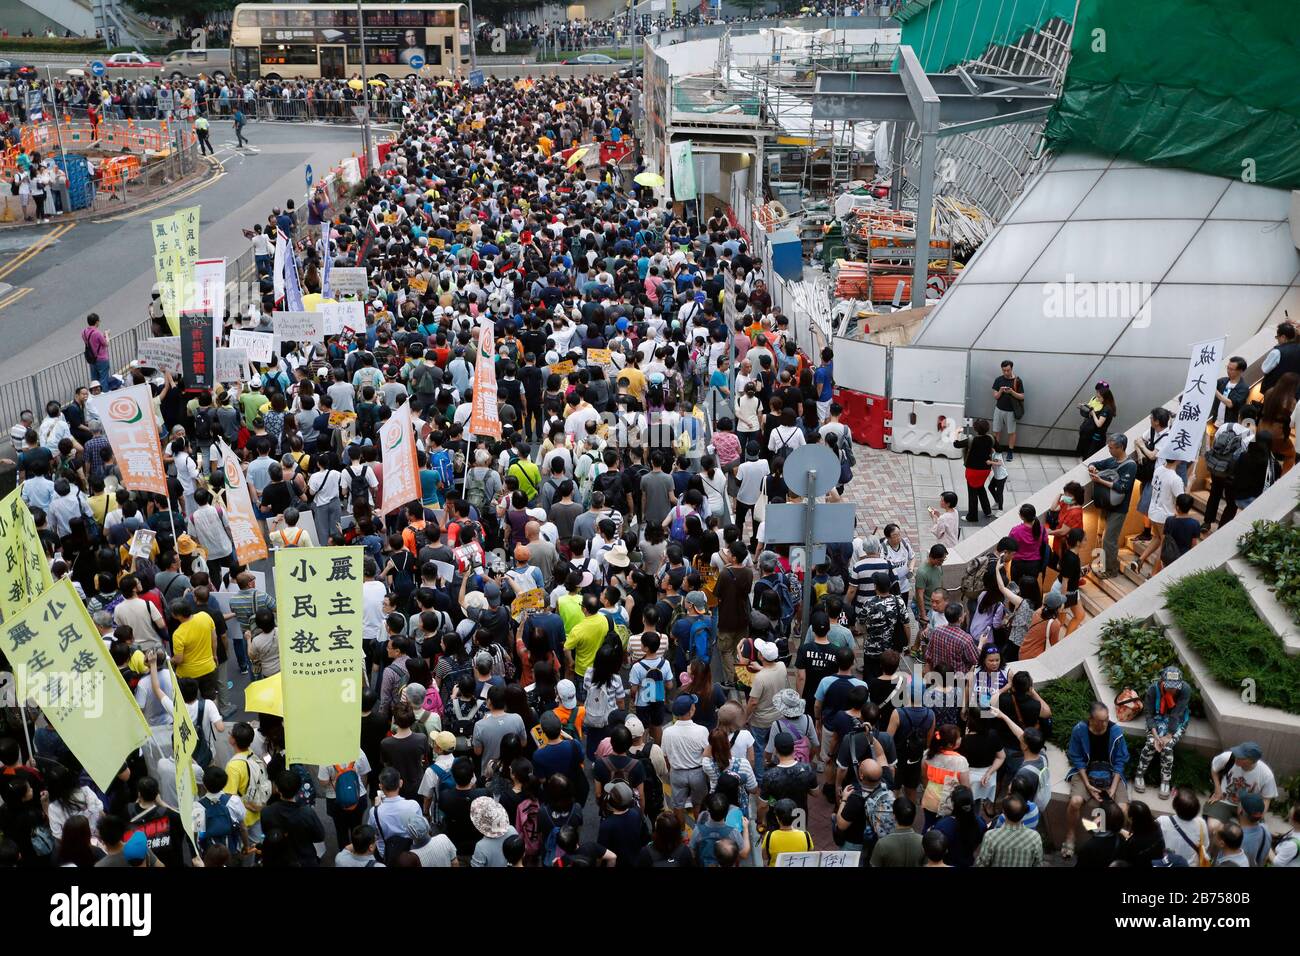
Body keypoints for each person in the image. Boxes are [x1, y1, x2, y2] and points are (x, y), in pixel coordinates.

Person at [1061, 701, 1129, 860]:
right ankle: (1070, 835)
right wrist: (1087, 784)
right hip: (1086, 772)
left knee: (1123, 808)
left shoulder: (1115, 731)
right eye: (1101, 721)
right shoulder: (1080, 730)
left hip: (1111, 774)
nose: (1105, 723)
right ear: (1090, 719)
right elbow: (1076, 758)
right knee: (1075, 802)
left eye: (1107, 719)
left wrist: (1113, 789)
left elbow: (1120, 761)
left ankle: (1116, 842)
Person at [1132, 666, 1191, 800]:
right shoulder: (1153, 689)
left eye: (1175, 687)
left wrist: (1168, 736)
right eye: (1169, 687)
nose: (1172, 690)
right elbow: (1148, 714)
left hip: (1177, 720)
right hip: (1156, 719)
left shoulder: (1185, 689)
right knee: (1151, 743)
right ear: (1162, 682)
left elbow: (1177, 713)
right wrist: (1156, 735)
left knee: (1168, 746)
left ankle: (1165, 780)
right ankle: (1139, 774)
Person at [1087, 434, 1138, 578]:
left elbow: (1122, 487)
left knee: (1109, 540)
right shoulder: (1112, 460)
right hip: (1106, 504)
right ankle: (1100, 564)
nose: (1109, 450)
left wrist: (1100, 480)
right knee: (1100, 535)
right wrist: (1092, 467)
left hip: (1119, 509)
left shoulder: (1130, 465)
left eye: (1111, 448)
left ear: (1121, 448)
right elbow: (1096, 463)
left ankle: (1111, 570)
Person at [990, 360, 1023, 460]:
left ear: (1011, 368)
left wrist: (1012, 392)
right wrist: (1000, 391)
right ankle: (996, 451)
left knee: (1011, 432)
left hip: (1011, 411)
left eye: (1008, 370)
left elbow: (1022, 396)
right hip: (999, 409)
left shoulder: (1017, 381)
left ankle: (1010, 451)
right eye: (1004, 370)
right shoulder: (998, 380)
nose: (1006, 372)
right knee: (996, 431)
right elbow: (995, 396)